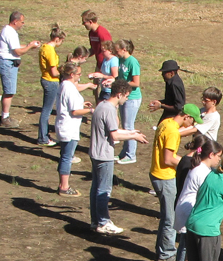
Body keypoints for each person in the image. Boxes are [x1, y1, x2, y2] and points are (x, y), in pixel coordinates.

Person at [88, 78, 147, 234]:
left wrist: (131, 132)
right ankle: (103, 222)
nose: (127, 99)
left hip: (95, 153)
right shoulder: (109, 110)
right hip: (104, 155)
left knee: (96, 188)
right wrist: (133, 137)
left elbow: (112, 131)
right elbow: (114, 136)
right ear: (120, 94)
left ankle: (96, 220)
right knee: (104, 190)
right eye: (126, 96)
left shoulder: (102, 105)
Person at [150, 103, 203, 261]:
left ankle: (162, 249)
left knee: (166, 215)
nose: (192, 126)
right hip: (164, 176)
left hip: (156, 172)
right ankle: (166, 253)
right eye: (192, 121)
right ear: (186, 116)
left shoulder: (165, 123)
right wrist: (189, 162)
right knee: (170, 218)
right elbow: (168, 159)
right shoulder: (173, 131)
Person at [173, 138, 222, 261]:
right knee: (188, 247)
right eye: (219, 156)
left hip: (187, 208)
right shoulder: (202, 172)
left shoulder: (200, 168)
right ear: (211, 155)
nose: (219, 160)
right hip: (190, 210)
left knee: (186, 246)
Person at [54, 62, 96, 197]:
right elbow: (75, 111)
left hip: (64, 125)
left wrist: (82, 104)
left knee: (65, 156)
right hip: (69, 127)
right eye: (78, 74)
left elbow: (68, 104)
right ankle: (64, 187)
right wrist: (90, 110)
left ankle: (63, 184)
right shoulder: (70, 88)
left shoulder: (64, 85)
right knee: (67, 157)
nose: (80, 76)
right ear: (72, 75)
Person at [0, 11, 41, 126]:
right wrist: (30, 47)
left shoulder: (10, 31)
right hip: (7, 64)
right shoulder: (9, 32)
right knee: (9, 91)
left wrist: (29, 45)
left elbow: (16, 47)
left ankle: (5, 116)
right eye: (22, 22)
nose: (23, 24)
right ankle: (5, 118)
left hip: (10, 64)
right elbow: (17, 51)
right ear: (15, 21)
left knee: (9, 91)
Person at [115, 39, 143, 164]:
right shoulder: (120, 60)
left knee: (128, 126)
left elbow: (136, 83)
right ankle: (124, 153)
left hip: (132, 98)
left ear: (124, 49)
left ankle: (131, 155)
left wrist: (121, 84)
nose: (115, 53)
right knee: (125, 126)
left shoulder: (133, 62)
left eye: (117, 50)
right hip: (123, 97)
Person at [37, 24, 65, 146]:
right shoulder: (50, 51)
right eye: (61, 41)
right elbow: (54, 72)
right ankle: (43, 138)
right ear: (57, 39)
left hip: (46, 79)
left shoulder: (44, 47)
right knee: (47, 111)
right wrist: (64, 73)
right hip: (51, 81)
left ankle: (44, 135)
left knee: (46, 110)